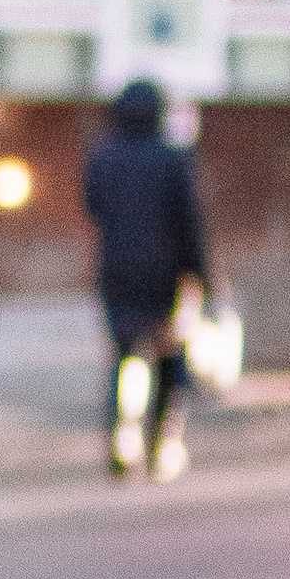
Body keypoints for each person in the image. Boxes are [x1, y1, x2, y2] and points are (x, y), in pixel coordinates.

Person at [81, 78, 210, 480]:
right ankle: (160, 447)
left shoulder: (102, 157)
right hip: (163, 274)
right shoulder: (171, 159)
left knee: (123, 357)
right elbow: (189, 222)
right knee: (168, 358)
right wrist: (199, 275)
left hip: (116, 273)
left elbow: (92, 206)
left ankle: (120, 443)